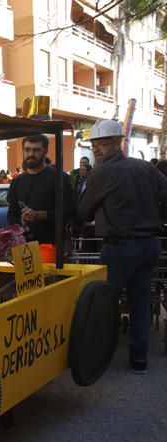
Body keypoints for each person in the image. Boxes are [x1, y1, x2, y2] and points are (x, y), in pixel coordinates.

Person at [77, 118, 167, 374]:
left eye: (102, 144)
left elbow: (82, 209)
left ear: (118, 143)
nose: (96, 149)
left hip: (120, 247)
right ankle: (139, 359)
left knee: (103, 304)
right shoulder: (145, 168)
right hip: (149, 245)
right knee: (140, 303)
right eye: (94, 144)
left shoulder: (103, 172)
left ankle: (94, 357)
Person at [7, 134, 75, 245]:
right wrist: (16, 231)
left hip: (51, 245)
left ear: (45, 151)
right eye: (27, 150)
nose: (31, 154)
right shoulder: (17, 181)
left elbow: (69, 211)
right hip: (23, 245)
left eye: (36, 150)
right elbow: (12, 213)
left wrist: (39, 215)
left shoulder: (59, 178)